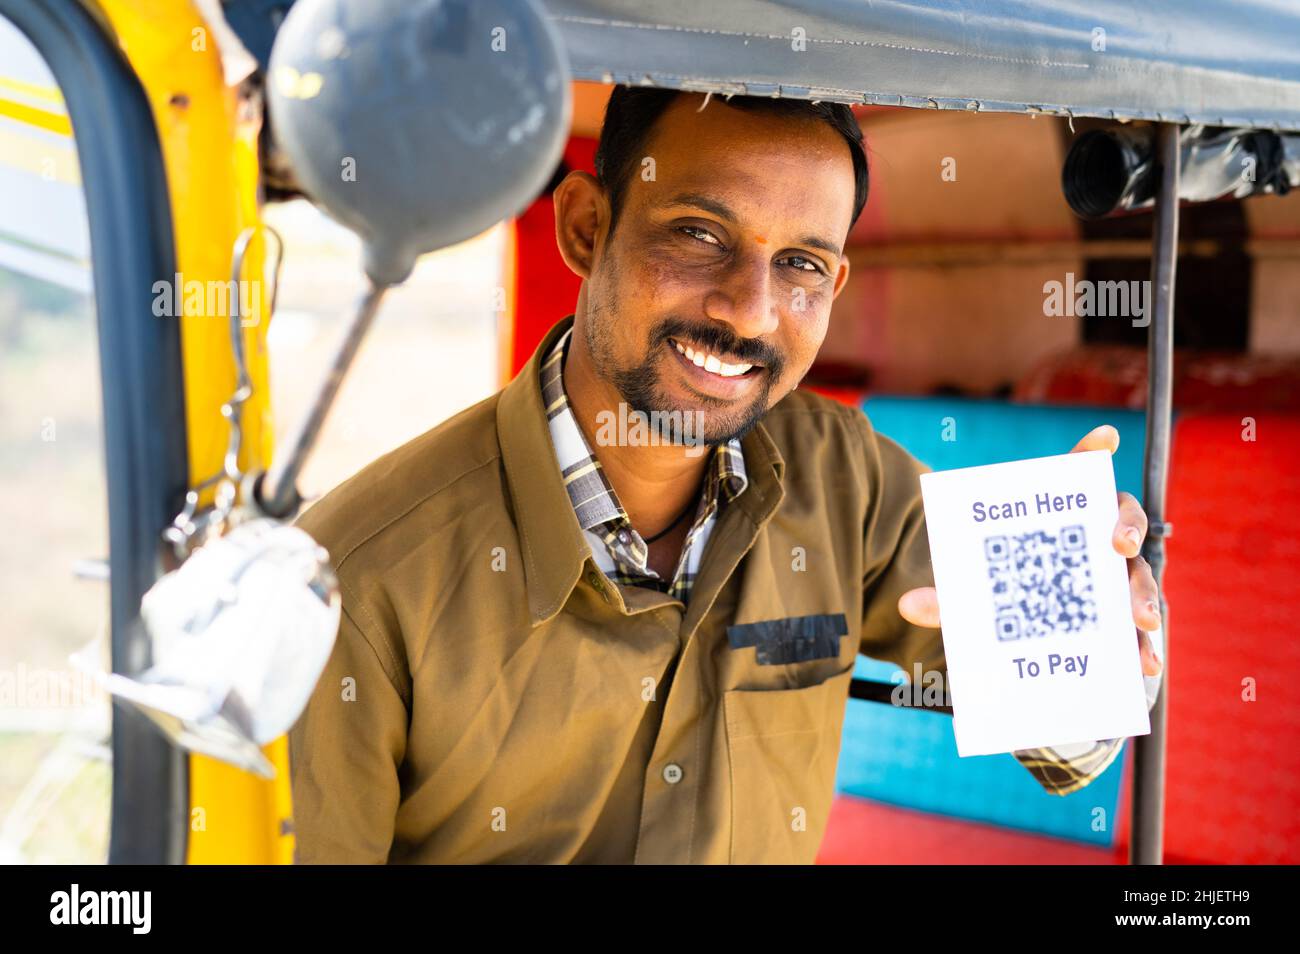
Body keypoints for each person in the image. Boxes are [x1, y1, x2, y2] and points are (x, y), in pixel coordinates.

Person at [288, 87, 1164, 864]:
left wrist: (1088, 616)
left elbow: (1067, 743)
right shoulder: (353, 582)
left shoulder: (842, 478)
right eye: (700, 235)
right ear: (586, 227)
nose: (749, 309)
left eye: (801, 266)